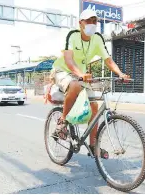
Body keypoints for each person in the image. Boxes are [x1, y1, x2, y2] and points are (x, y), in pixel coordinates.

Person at [49, 9, 130, 159]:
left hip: (82, 75)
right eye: (89, 21)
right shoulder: (72, 35)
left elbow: (108, 60)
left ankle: (93, 146)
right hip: (63, 70)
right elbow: (68, 60)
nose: (92, 24)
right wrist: (80, 74)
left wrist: (120, 73)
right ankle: (62, 122)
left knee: (94, 107)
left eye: (95, 21)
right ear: (81, 23)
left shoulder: (98, 39)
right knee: (74, 85)